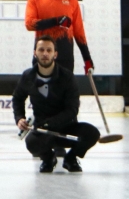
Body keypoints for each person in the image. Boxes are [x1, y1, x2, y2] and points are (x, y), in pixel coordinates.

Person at [14, 35, 100, 173]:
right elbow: (17, 98)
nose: (45, 54)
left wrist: (50, 123)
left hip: (67, 127)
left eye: (49, 50)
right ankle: (48, 159)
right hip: (42, 131)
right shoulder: (27, 76)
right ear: (34, 53)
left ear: (55, 54)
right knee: (31, 143)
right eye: (41, 50)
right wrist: (20, 118)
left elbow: (72, 109)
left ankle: (71, 158)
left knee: (92, 133)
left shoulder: (67, 77)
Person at [25, 0, 94, 74]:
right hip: (42, 57)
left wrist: (87, 59)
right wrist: (56, 21)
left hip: (65, 57)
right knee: (40, 91)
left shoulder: (72, 1)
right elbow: (29, 24)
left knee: (65, 91)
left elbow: (79, 33)